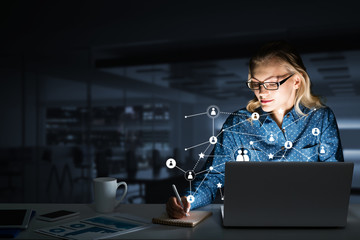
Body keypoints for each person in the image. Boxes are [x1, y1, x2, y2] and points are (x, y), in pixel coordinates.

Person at [166, 40, 344, 219]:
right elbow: (213, 177)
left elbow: (335, 179)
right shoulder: (238, 123)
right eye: (256, 84)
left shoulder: (320, 118)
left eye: (271, 84)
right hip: (250, 218)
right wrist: (187, 200)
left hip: (307, 216)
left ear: (296, 80)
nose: (261, 92)